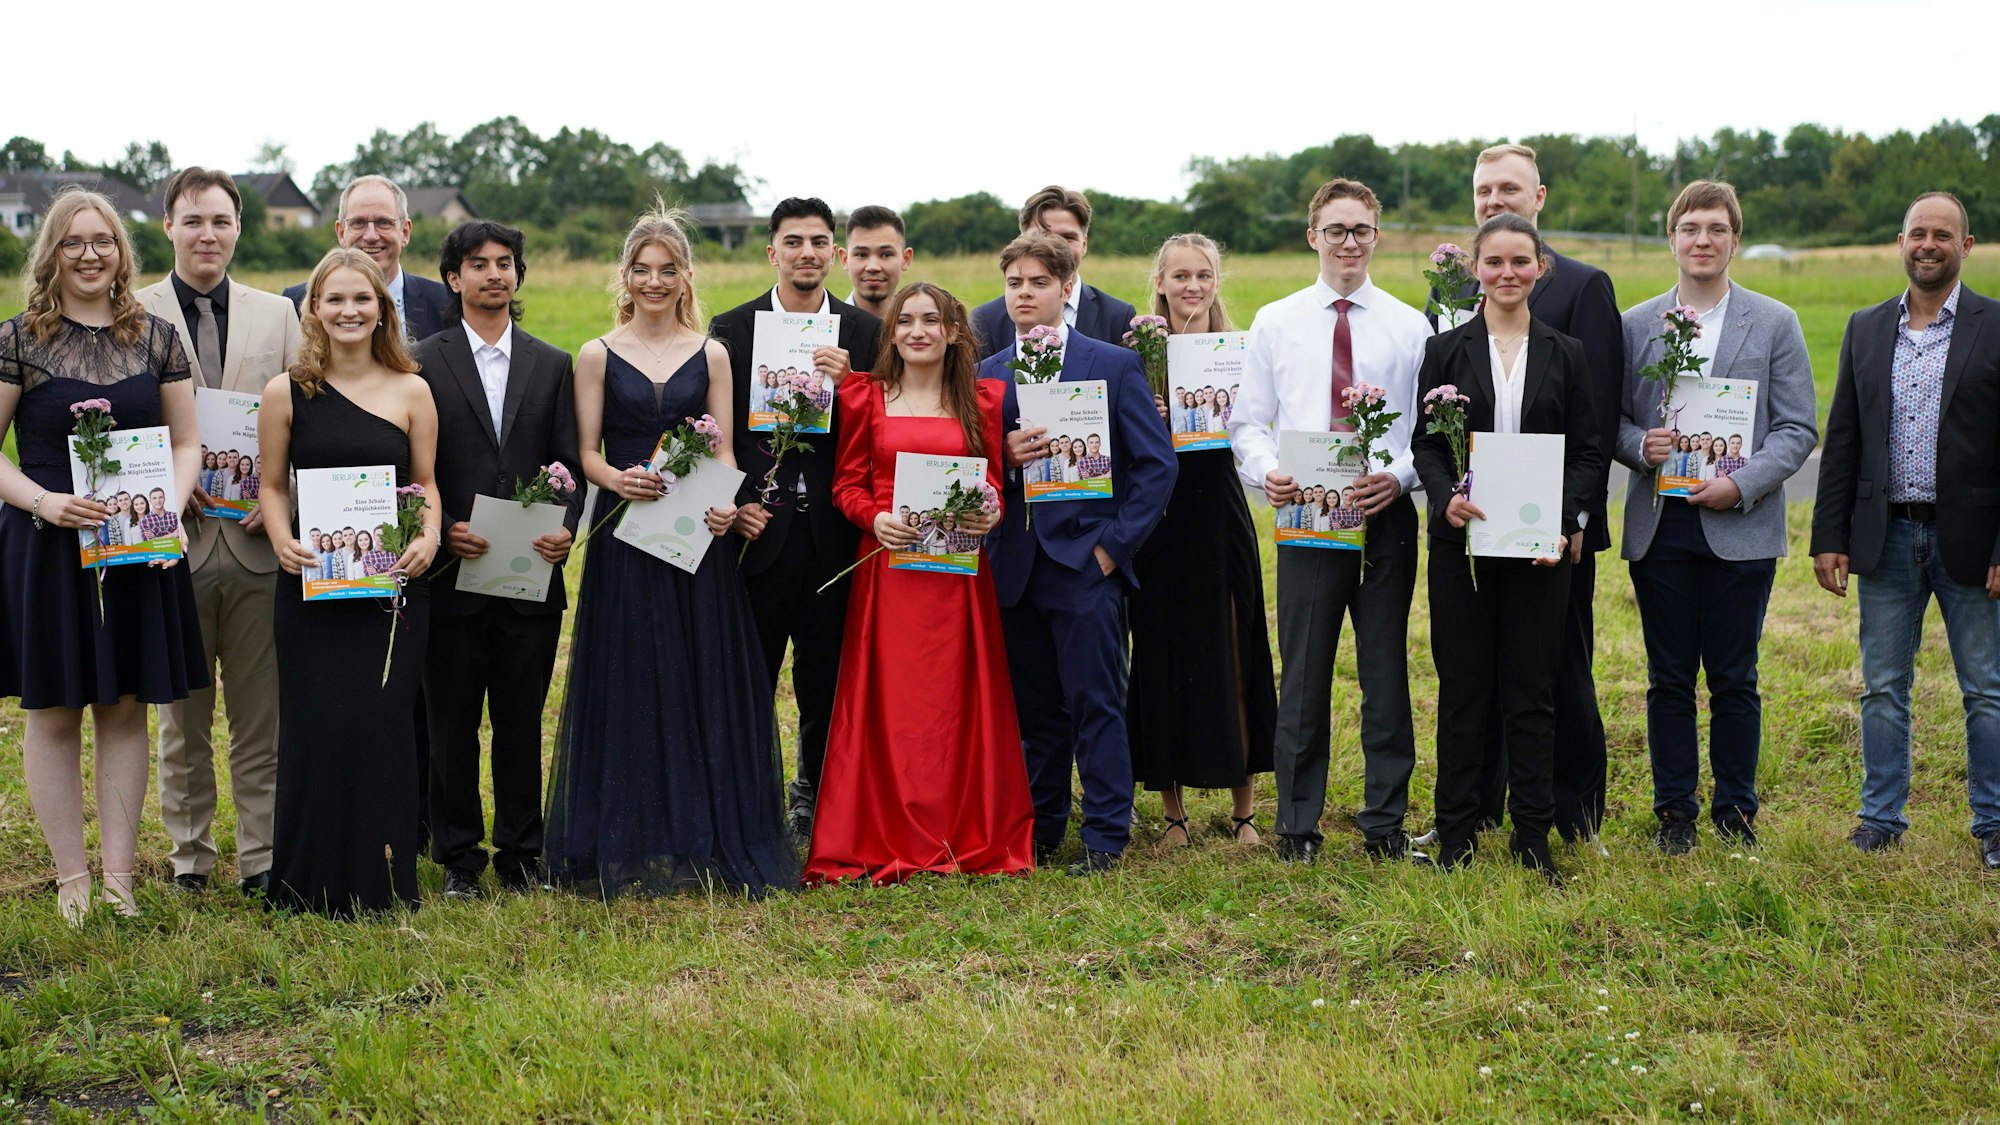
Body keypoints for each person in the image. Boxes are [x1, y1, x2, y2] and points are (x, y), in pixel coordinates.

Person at [544, 206, 797, 897]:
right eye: (642, 269)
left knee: (695, 675)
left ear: (687, 275)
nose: (654, 281)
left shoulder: (711, 352)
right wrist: (614, 479)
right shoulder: (597, 353)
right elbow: (585, 452)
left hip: (695, 540)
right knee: (629, 676)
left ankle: (700, 836)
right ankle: (629, 835)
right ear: (625, 276)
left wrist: (724, 498)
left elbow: (721, 447)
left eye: (668, 269)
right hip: (628, 537)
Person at [0, 189, 208, 922]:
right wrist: (44, 502)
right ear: (51, 253)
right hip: (47, 543)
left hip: (136, 546)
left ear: (122, 251)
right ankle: (72, 881)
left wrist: (175, 511)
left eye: (103, 241)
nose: (90, 254)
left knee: (125, 708)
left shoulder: (155, 335)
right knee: (53, 711)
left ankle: (118, 878)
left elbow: (187, 443)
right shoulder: (19, 339)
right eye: (73, 242)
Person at [1230, 178, 1432, 864]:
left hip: (1384, 518)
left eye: (1362, 231)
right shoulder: (1276, 321)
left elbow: (1427, 431)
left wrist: (1399, 475)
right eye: (1336, 230)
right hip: (1307, 520)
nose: (1350, 242)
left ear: (1378, 237)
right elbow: (1247, 421)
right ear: (1312, 236)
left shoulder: (1411, 327)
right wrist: (1267, 472)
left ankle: (1384, 822)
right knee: (1306, 671)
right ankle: (1297, 826)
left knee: (1384, 672)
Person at [806, 281, 1034, 883]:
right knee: (892, 702)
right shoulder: (865, 398)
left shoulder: (984, 400)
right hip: (889, 574)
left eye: (931, 321)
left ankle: (961, 829)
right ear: (892, 335)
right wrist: (873, 518)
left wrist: (991, 512)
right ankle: (885, 827)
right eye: (905, 321)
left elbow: (993, 489)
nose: (917, 331)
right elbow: (846, 486)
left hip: (958, 579)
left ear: (953, 331)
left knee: (955, 702)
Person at [1616, 180, 1818, 855]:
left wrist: (1745, 485)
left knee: (1735, 677)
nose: (1702, 240)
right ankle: (1676, 812)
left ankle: (1735, 811)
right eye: (1690, 228)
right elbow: (1610, 419)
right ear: (1672, 238)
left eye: (1716, 228)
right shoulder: (1635, 323)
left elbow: (1795, 428)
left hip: (1740, 523)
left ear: (1734, 237)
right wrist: (1639, 445)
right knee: (1668, 677)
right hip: (1661, 521)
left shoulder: (1775, 321)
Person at [1812, 190, 2000, 870]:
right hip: (1886, 536)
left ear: (1965, 246)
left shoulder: (1994, 324)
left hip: (1973, 542)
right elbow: (1843, 439)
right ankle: (1881, 818)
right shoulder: (1867, 328)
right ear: (1900, 242)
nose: (1929, 244)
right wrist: (1827, 533)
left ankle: (1995, 822)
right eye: (1918, 232)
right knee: (1883, 684)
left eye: (1942, 234)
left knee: (1986, 687)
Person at [979, 232, 1177, 875]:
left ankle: (1105, 834)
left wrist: (1111, 551)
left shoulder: (1111, 364)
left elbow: (1155, 467)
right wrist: (1001, 462)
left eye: (1039, 283)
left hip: (1086, 564)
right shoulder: (987, 375)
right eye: (1015, 284)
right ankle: (1041, 829)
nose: (1025, 294)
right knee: (1034, 709)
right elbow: (972, 471)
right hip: (1014, 565)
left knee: (1096, 701)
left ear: (1067, 290)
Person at [1413, 213, 1603, 878]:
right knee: (1464, 690)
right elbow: (1425, 445)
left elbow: (1586, 452)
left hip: (1536, 547)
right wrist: (1445, 497)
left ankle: (1532, 837)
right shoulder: (1445, 351)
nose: (1507, 273)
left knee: (1531, 691)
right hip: (1462, 544)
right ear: (1476, 269)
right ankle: (1456, 835)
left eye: (1520, 261)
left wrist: (1568, 518)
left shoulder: (1567, 352)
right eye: (1494, 262)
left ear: (1540, 268)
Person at [259, 248, 441, 917]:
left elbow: (425, 487)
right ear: (313, 309)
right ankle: (307, 881)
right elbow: (272, 485)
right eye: (333, 299)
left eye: (361, 299)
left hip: (390, 591)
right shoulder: (286, 391)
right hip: (312, 589)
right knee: (315, 725)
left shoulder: (412, 390)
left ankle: (382, 877)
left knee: (382, 723)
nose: (348, 311)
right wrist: (281, 536)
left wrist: (425, 536)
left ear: (382, 308)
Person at [136, 168, 302, 896]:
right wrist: (167, 483)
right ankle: (190, 859)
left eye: (221, 221)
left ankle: (263, 858)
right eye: (194, 220)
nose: (208, 234)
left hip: (259, 544)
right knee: (182, 723)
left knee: (262, 721)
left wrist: (282, 502)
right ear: (167, 225)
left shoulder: (279, 316)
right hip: (172, 545)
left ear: (239, 228)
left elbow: (307, 420)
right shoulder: (128, 311)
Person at [1451, 144, 1624, 843]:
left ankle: (1572, 809)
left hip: (1555, 524)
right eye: (1485, 190)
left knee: (1558, 668)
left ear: (1540, 197)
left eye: (1510, 189)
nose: (1496, 200)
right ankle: (1488, 804)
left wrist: (1574, 516)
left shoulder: (1583, 286)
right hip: (1477, 518)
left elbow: (1598, 414)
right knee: (1483, 671)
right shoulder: (1461, 287)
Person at [414, 220, 585, 899]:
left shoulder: (552, 363)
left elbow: (570, 461)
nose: (494, 274)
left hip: (530, 578)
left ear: (518, 275)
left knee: (520, 721)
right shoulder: (421, 361)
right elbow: (412, 465)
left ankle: (521, 852)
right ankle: (460, 856)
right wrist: (440, 527)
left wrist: (566, 526)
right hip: (452, 575)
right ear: (453, 277)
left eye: (505, 263)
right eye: (478, 263)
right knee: (451, 727)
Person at [710, 197, 881, 848]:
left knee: (826, 678)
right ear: (772, 251)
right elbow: (712, 427)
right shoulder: (733, 327)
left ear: (834, 254)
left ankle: (815, 797)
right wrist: (737, 499)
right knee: (750, 673)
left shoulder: (862, 333)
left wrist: (854, 385)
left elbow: (881, 428)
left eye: (818, 241)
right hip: (758, 532)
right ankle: (748, 805)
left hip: (834, 532)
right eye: (793, 241)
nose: (806, 252)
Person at [1126, 234, 1276, 848]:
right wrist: (1149, 413)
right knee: (1161, 653)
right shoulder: (1135, 354)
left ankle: (1244, 812)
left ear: (1217, 281)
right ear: (1159, 282)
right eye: (1180, 276)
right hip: (1157, 521)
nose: (1192, 286)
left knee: (1236, 647)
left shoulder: (1242, 351)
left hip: (1219, 512)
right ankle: (1174, 816)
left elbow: (1259, 430)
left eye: (1204, 275)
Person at [972, 186, 1138, 358]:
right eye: (1043, 236)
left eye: (1067, 238)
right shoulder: (985, 320)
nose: (1054, 247)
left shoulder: (1118, 317)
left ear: (1084, 244)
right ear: (1022, 241)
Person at [283, 175, 449, 344]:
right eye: (358, 223)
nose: (371, 236)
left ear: (405, 232)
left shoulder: (444, 302)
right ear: (341, 232)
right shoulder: (295, 303)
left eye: (383, 222)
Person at [841, 205, 913, 320]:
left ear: (906, 259)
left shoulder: (926, 333)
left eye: (886, 255)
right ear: (844, 259)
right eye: (861, 255)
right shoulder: (826, 332)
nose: (873, 267)